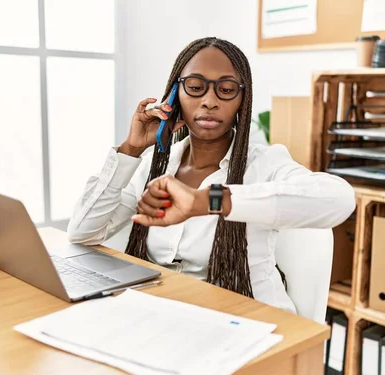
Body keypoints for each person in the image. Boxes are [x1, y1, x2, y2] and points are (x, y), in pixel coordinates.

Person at [67, 37, 355, 313]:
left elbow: (339, 198)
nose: (209, 101)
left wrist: (209, 200)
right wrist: (130, 149)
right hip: (168, 313)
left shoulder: (265, 163)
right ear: (174, 95)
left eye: (226, 90)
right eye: (195, 87)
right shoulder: (155, 166)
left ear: (242, 100)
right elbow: (82, 232)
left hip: (247, 318)